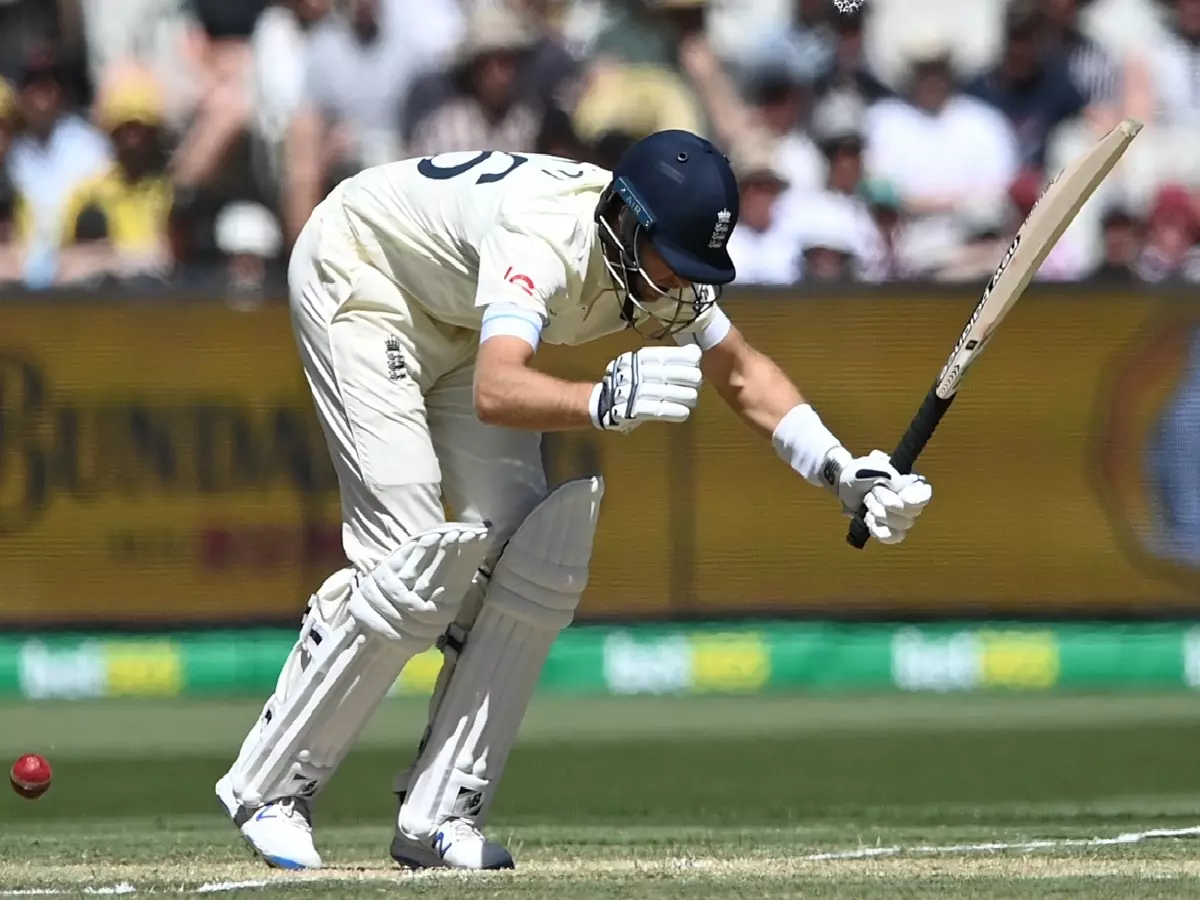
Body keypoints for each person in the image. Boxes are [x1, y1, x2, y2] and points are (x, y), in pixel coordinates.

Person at [215, 129, 934, 872]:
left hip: (459, 313)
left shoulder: (664, 262)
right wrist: (602, 400)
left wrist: (843, 471)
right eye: (667, 263)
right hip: (364, 279)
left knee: (533, 559)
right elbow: (499, 388)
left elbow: (741, 372)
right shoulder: (546, 236)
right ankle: (271, 789)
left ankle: (439, 815)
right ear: (625, 219)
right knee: (409, 562)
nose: (671, 286)